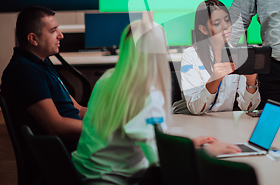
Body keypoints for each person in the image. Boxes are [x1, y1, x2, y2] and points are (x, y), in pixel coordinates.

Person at [72, 20, 241, 185]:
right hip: (113, 179)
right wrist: (205, 152)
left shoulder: (107, 78)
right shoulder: (147, 95)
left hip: (82, 173)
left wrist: (187, 144)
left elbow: (144, 139)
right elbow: (160, 161)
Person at [0, 6, 86, 152]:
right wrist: (102, 130)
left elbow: (77, 109)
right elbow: (55, 126)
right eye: (53, 31)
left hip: (80, 145)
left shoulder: (42, 63)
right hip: (69, 156)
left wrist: (115, 118)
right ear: (33, 39)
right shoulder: (25, 71)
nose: (61, 35)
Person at [174, 0, 260, 115]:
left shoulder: (238, 54)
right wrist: (215, 79)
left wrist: (251, 83)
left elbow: (246, 107)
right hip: (193, 122)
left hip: (223, 123)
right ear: (203, 29)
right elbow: (195, 109)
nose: (226, 27)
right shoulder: (191, 55)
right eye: (216, 23)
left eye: (227, 20)